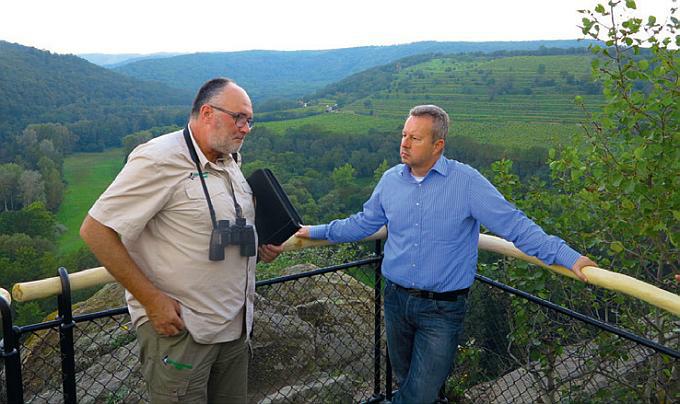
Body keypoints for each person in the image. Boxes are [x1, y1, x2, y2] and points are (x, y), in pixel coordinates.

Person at [296, 105, 596, 403]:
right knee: (406, 382)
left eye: (415, 138)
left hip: (442, 310)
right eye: (404, 134)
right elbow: (363, 223)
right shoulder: (390, 180)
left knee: (420, 395)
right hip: (396, 300)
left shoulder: (466, 183)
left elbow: (514, 224)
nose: (404, 142)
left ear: (438, 145)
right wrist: (314, 231)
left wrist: (567, 256)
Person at [80, 78, 283, 403]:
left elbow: (211, 223)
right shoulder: (159, 158)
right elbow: (95, 230)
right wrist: (151, 301)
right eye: (239, 118)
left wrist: (256, 247)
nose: (246, 128)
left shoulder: (229, 159)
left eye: (250, 121)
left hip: (234, 329)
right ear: (207, 113)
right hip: (182, 331)